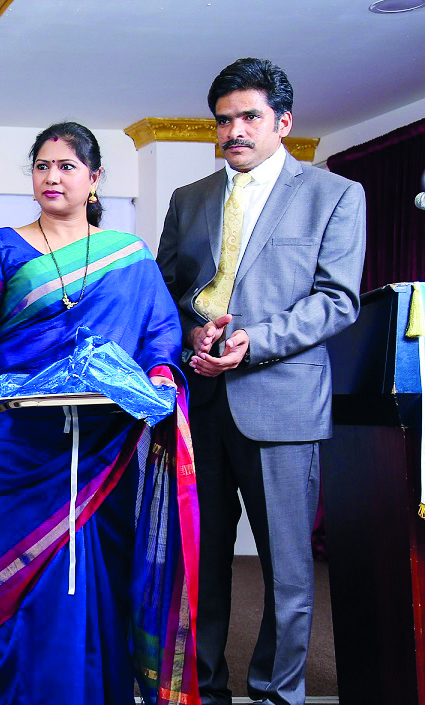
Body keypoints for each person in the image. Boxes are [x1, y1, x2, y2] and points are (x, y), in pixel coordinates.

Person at [0, 122, 201, 705]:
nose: (52, 177)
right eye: (42, 166)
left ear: (94, 178)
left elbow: (161, 334)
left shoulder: (129, 256)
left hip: (104, 446)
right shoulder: (1, 246)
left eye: (66, 166)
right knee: (13, 573)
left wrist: (159, 378)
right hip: (20, 440)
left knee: (103, 572)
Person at [156, 58, 366, 705]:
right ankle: (203, 690)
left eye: (249, 117)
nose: (235, 131)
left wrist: (254, 341)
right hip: (198, 401)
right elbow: (166, 294)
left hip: (282, 401)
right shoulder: (189, 198)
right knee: (200, 564)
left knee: (287, 572)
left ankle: (277, 695)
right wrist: (190, 335)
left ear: (283, 122)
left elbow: (337, 300)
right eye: (223, 120)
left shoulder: (334, 194)